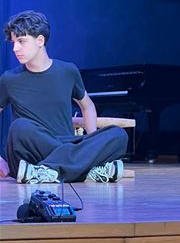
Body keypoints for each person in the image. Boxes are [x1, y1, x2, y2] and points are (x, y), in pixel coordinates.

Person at [0, 11, 128, 183]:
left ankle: (47, 172)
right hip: (31, 151)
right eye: (14, 42)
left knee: (118, 135)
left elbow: (87, 106)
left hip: (63, 145)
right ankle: (84, 169)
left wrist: (91, 140)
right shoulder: (9, 79)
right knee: (19, 127)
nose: (15, 48)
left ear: (40, 41)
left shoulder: (68, 71)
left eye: (21, 41)